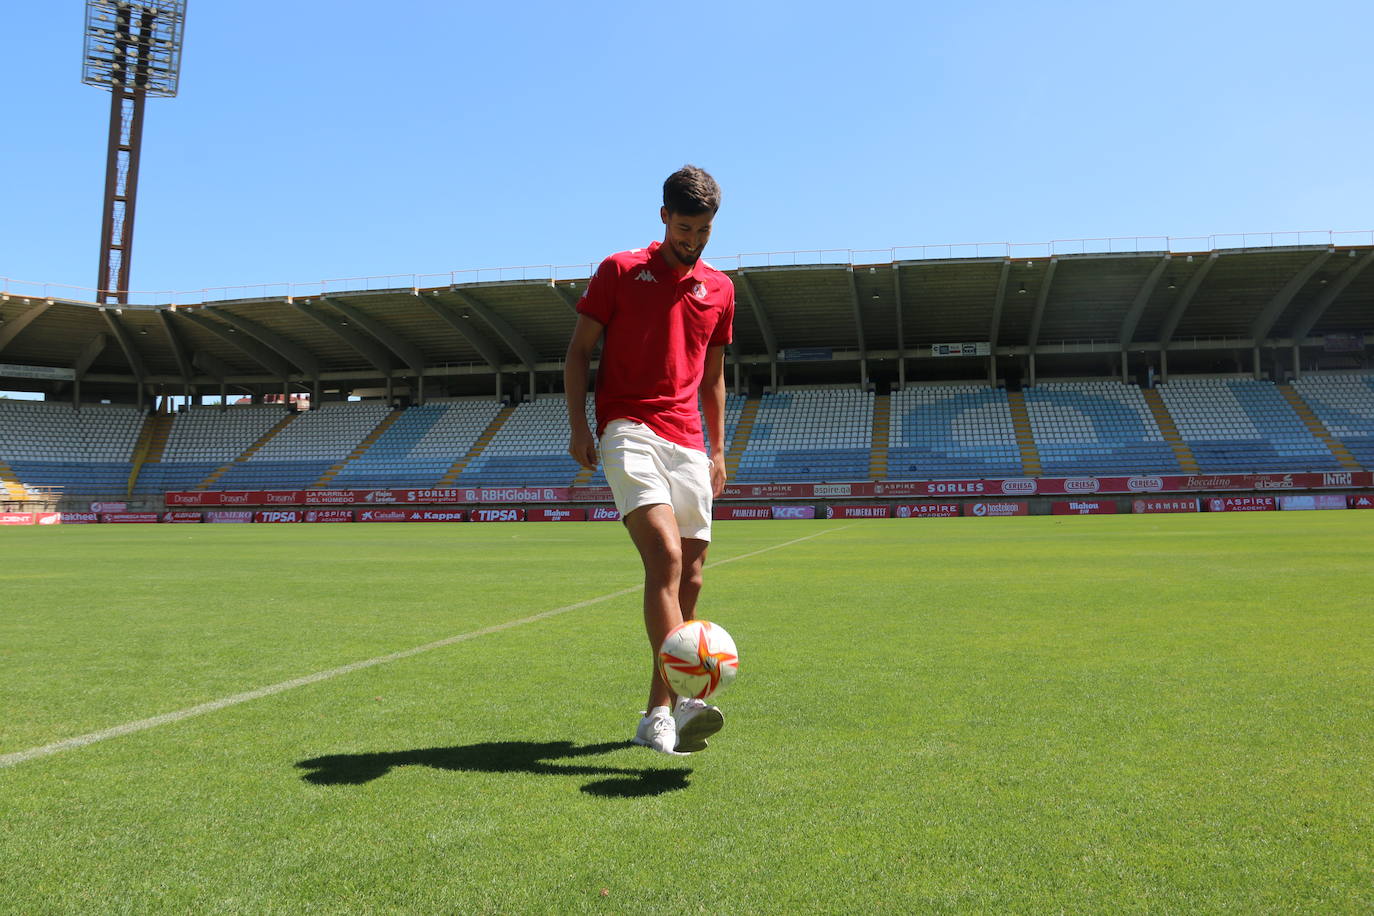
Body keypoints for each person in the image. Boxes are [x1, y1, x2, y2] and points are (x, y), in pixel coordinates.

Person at [564, 165, 735, 755]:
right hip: (628, 427)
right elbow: (579, 352)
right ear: (663, 216)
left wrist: (717, 448)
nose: (693, 240)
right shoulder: (619, 270)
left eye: (704, 230)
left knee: (688, 578)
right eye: (685, 228)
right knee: (661, 553)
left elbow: (713, 376)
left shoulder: (721, 289)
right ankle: (690, 698)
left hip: (688, 438)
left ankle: (655, 715)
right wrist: (579, 425)